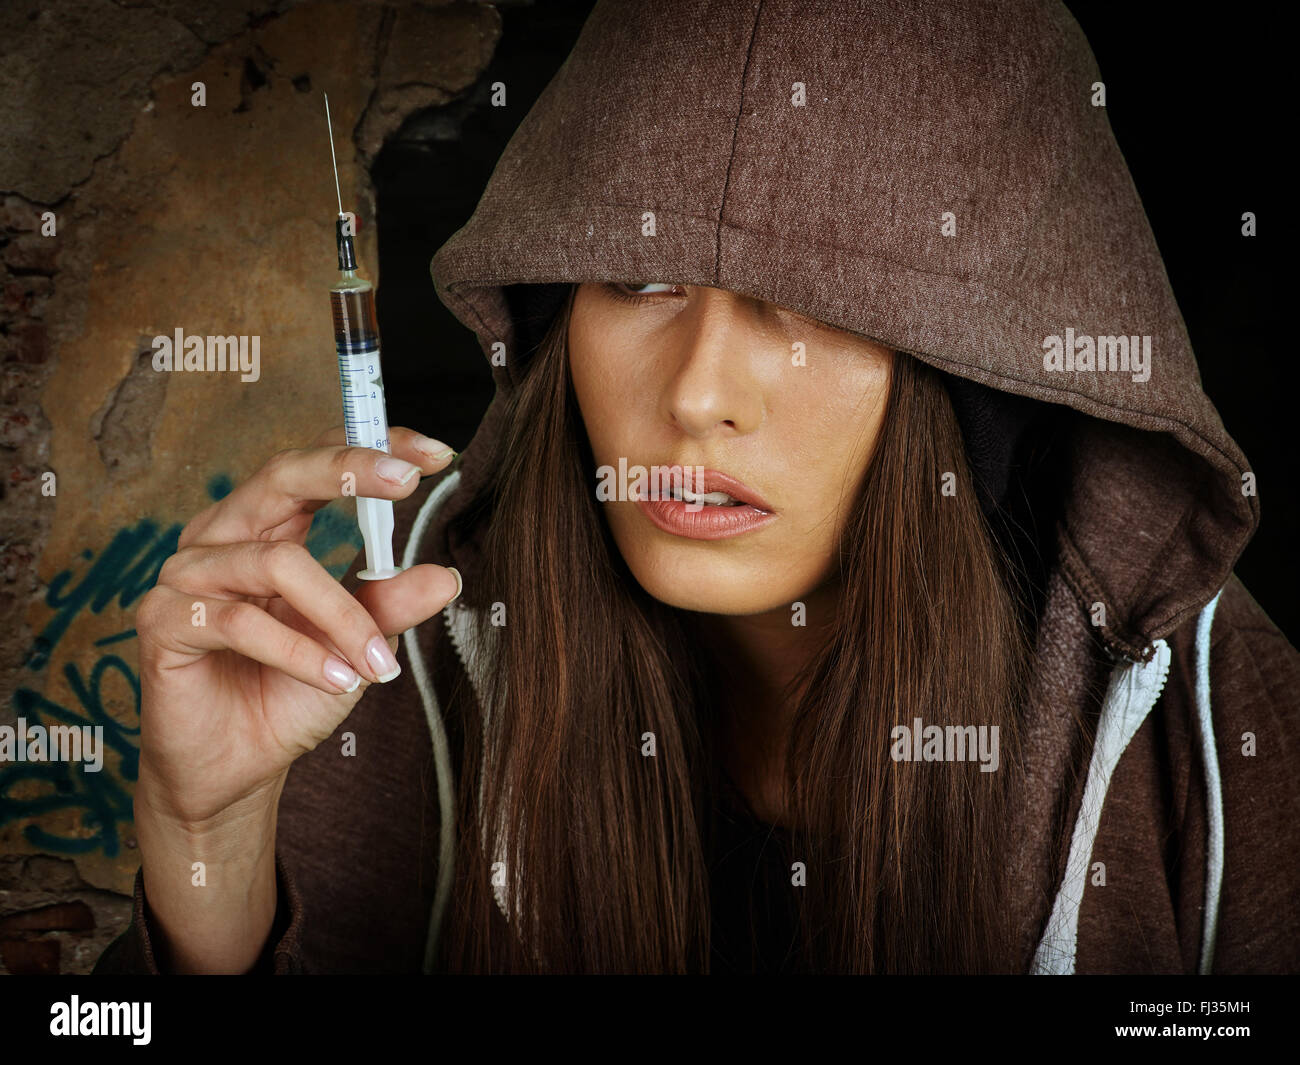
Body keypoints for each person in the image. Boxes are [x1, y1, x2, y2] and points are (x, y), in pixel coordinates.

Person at [95, 0, 1300, 974]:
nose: (696, 394)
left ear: (980, 385)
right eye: (638, 277)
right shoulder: (389, 623)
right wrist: (203, 840)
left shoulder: (1220, 734)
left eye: (820, 304)